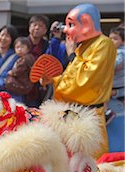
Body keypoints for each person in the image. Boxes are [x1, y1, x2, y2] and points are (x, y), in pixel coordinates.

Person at [40, 3, 116, 158]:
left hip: (89, 113)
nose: (66, 30)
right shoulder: (82, 47)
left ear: (86, 23)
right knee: (68, 160)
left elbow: (86, 81)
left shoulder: (104, 44)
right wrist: (51, 79)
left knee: (90, 165)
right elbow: (71, 77)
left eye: (71, 25)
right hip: (70, 111)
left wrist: (71, 54)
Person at [5, 37, 35, 104]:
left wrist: (12, 72)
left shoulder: (25, 58)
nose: (19, 49)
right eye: (17, 47)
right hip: (23, 85)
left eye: (22, 47)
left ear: (28, 48)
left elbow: (19, 70)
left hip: (21, 83)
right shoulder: (26, 57)